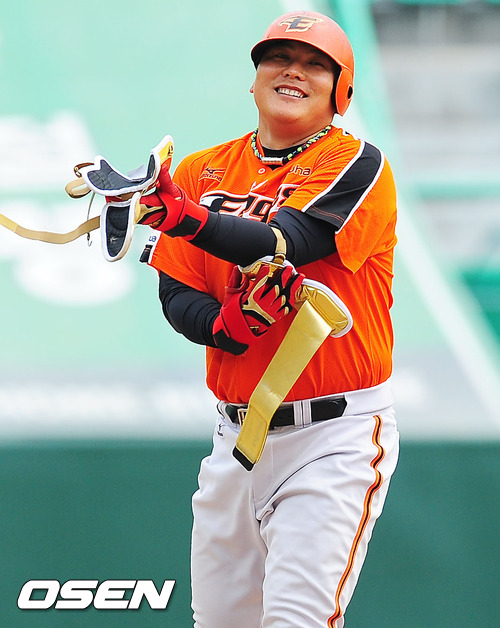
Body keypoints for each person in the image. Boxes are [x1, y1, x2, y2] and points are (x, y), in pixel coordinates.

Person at [138, 10, 399, 628]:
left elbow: (288, 240)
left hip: (332, 436)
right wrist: (223, 328)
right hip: (233, 439)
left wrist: (186, 218)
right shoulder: (201, 170)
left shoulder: (358, 163)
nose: (293, 71)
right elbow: (177, 292)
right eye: (279, 57)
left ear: (341, 91)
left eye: (315, 65)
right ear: (253, 79)